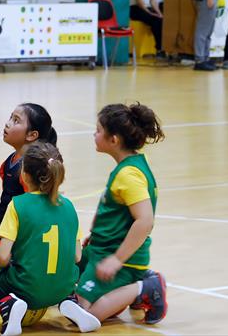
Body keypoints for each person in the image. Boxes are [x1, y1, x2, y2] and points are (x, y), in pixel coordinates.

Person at [0, 142, 100, 336]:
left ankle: (5, 303)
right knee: (56, 279)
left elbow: (3, 257)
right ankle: (68, 303)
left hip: (25, 286)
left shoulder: (18, 204)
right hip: (63, 287)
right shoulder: (69, 206)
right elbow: (77, 257)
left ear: (25, 175)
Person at [72, 102, 167, 325]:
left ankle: (144, 287)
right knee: (72, 297)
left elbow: (145, 221)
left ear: (113, 140)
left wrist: (116, 260)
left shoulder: (129, 174)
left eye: (98, 130)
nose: (94, 134)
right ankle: (128, 291)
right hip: (103, 249)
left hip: (121, 259)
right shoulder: (130, 166)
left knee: (83, 316)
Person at [0, 103, 58, 272]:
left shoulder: (29, 171)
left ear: (31, 135)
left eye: (16, 121)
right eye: (10, 117)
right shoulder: (9, 162)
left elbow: (35, 214)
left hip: (21, 243)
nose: (7, 123)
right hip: (4, 236)